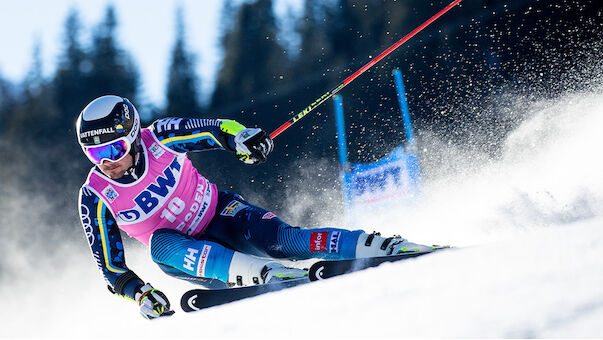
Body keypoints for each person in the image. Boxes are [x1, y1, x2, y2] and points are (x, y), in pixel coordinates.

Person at [77, 95, 434, 319]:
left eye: (113, 149)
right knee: (159, 244)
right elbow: (111, 267)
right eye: (94, 153)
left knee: (283, 240)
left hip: (222, 215)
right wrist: (140, 293)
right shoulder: (95, 194)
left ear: (133, 136)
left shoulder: (160, 136)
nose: (106, 161)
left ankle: (379, 245)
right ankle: (264, 273)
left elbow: (214, 129)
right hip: (186, 256)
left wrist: (241, 138)